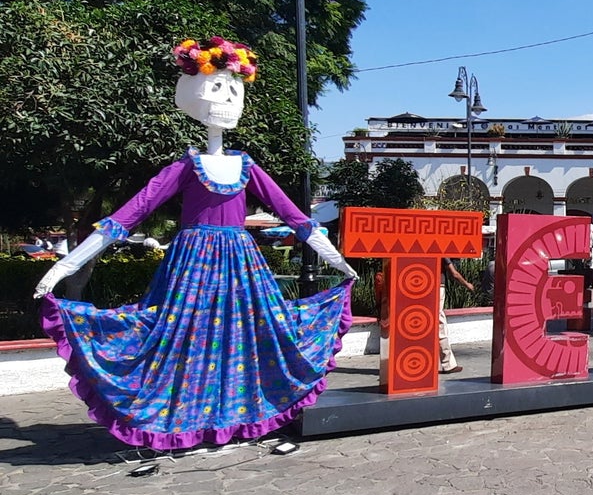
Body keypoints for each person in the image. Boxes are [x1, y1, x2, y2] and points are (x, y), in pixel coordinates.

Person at [31, 37, 356, 452]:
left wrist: (337, 261)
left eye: (235, 90)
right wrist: (63, 266)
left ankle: (234, 418)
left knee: (247, 337)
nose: (229, 100)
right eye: (220, 88)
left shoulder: (247, 166)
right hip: (193, 266)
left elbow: (295, 216)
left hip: (241, 266)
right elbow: (128, 215)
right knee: (180, 337)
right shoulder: (187, 166)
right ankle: (187, 421)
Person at [438, 257, 472, 373]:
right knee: (440, 325)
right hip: (437, 287)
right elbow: (454, 273)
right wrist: (467, 284)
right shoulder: (440, 249)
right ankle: (448, 364)